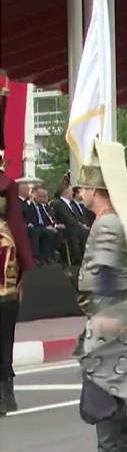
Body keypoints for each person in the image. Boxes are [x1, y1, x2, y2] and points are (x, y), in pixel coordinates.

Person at [70, 142, 127, 452]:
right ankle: (126, 442)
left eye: (84, 188)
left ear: (94, 190)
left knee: (100, 376)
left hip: (110, 308)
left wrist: (102, 315)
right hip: (122, 307)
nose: (80, 194)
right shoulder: (117, 220)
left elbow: (103, 268)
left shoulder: (106, 224)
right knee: (120, 373)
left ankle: (108, 451)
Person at [0, 173, 34, 417]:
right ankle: (7, 394)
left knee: (4, 340)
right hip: (9, 288)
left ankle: (5, 393)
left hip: (6, 288)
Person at [51, 183, 90, 265]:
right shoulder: (58, 203)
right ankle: (77, 258)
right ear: (65, 192)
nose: (72, 193)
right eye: (71, 191)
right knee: (81, 232)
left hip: (74, 227)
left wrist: (83, 225)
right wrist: (80, 226)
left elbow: (77, 217)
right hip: (66, 229)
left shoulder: (71, 205)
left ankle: (87, 256)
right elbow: (68, 219)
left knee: (86, 231)